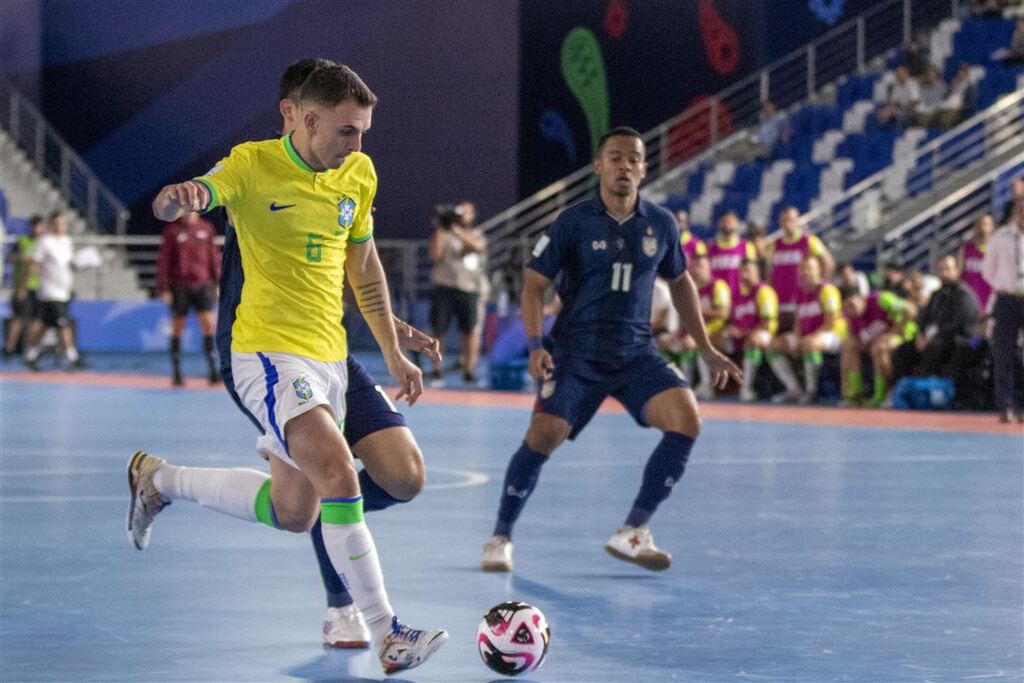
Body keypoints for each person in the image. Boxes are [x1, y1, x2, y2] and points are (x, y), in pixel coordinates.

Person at [133, 64, 447, 674]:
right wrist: (181, 197)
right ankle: (387, 631)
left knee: (367, 488)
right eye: (347, 131)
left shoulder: (358, 173)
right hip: (267, 353)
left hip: (333, 353)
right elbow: (181, 199)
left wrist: (392, 351)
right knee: (338, 477)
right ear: (302, 118)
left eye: (363, 132)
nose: (358, 145)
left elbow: (365, 269)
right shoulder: (250, 165)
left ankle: (161, 481)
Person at [479, 126, 741, 574]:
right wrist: (537, 345)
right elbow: (533, 286)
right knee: (543, 437)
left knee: (687, 420)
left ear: (644, 167)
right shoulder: (573, 222)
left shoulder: (661, 223)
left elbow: (681, 284)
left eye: (634, 159)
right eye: (615, 158)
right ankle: (500, 536)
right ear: (599, 165)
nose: (625, 166)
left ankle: (633, 530)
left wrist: (707, 347)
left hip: (636, 354)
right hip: (576, 354)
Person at [892, 254, 980, 390]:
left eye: (947, 269)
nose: (944, 273)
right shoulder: (936, 295)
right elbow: (922, 318)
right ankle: (903, 390)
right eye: (940, 270)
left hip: (959, 341)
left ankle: (930, 392)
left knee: (934, 348)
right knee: (903, 351)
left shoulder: (964, 295)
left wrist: (931, 337)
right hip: (931, 339)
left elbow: (957, 324)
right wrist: (921, 335)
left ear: (956, 270)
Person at [156, 211, 222, 386]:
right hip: (180, 287)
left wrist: (217, 283)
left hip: (203, 285)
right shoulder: (172, 231)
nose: (188, 213)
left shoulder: (206, 229)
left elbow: (214, 256)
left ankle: (213, 371)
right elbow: (164, 260)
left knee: (208, 325)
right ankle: (177, 372)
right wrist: (164, 288)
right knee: (177, 328)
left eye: (191, 209)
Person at [767, 255, 844, 404]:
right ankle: (794, 389)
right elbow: (798, 322)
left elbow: (831, 321)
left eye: (809, 268)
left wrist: (805, 340)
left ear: (819, 271)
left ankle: (811, 391)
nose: (805, 272)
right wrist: (796, 340)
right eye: (802, 268)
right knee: (773, 345)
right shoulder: (799, 292)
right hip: (810, 335)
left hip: (834, 335)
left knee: (810, 343)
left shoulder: (827, 290)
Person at [426, 201, 487, 385]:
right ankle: (436, 369)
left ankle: (469, 370)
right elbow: (434, 256)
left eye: (467, 212)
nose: (462, 215)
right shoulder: (444, 234)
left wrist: (456, 230)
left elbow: (478, 247)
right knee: (439, 329)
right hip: (443, 286)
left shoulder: (476, 234)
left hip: (467, 288)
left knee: (470, 331)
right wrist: (440, 228)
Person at [18, 211, 84, 371]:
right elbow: (33, 264)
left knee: (42, 325)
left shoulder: (67, 241)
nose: (62, 226)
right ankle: (73, 358)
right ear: (52, 224)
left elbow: (67, 265)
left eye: (64, 223)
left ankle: (30, 356)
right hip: (50, 292)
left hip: (63, 291)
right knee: (63, 324)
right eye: (59, 223)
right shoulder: (45, 242)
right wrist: (24, 287)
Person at [982, 200, 1024, 423]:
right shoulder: (1001, 237)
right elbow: (987, 270)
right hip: (1007, 299)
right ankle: (1005, 405)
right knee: (1004, 353)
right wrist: (1005, 284)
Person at [840, 287, 915, 407]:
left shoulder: (881, 300)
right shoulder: (851, 316)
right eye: (845, 307)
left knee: (879, 348)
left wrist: (893, 331)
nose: (849, 309)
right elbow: (860, 338)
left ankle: (884, 393)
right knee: (849, 346)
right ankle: (854, 395)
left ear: (861, 298)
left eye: (851, 304)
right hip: (875, 342)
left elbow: (911, 310)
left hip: (903, 336)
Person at [766, 207, 834, 331]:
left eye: (791, 220)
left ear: (797, 221)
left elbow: (827, 262)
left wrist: (819, 285)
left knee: (802, 335)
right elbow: (770, 272)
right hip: (780, 300)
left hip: (802, 301)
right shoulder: (774, 245)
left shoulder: (809, 241)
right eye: (784, 221)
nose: (787, 224)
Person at [723, 258, 778, 402]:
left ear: (757, 272)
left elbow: (766, 323)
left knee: (752, 341)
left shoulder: (764, 291)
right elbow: (732, 320)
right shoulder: (736, 295)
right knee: (713, 340)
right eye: (742, 272)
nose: (744, 275)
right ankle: (709, 386)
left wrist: (743, 333)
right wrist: (730, 330)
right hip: (743, 334)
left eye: (748, 271)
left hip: (765, 335)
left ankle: (746, 389)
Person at [685, 253, 731, 398]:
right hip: (701, 330)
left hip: (722, 331)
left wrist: (698, 312)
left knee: (698, 342)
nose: (696, 270)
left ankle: (706, 385)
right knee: (683, 343)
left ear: (709, 268)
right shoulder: (689, 288)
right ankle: (685, 384)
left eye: (700, 266)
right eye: (693, 267)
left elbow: (723, 314)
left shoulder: (718, 285)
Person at [3, 215, 44, 358]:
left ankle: (30, 349)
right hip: (23, 286)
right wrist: (22, 257)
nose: (37, 229)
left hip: (41, 287)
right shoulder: (23, 241)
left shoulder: (46, 243)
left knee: (36, 320)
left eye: (39, 226)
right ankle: (8, 348)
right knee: (18, 318)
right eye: (34, 226)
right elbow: (9, 257)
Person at [707, 211, 757, 296]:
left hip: (739, 296)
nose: (727, 224)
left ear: (737, 224)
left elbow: (752, 274)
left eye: (730, 221)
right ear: (719, 224)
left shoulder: (747, 246)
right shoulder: (710, 247)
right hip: (716, 297)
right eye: (724, 221)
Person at [959, 213, 996, 313]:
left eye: (986, 224)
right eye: (980, 224)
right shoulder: (966, 248)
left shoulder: (996, 250)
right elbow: (958, 271)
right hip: (969, 298)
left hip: (989, 299)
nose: (982, 227)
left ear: (992, 227)